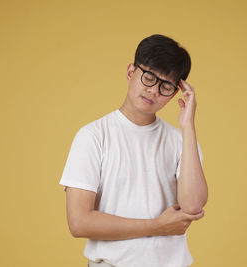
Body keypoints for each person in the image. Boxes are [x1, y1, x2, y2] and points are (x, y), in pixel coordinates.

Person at [59, 34, 208, 267]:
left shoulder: (182, 141)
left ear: (175, 93)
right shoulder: (93, 137)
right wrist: (158, 226)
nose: (154, 91)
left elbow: (192, 208)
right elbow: (79, 223)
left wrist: (188, 126)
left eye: (166, 86)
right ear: (131, 73)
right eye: (149, 77)